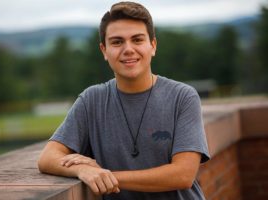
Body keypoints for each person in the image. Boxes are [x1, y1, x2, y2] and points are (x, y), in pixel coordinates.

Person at [38, 1, 210, 199]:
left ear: (152, 46)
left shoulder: (183, 97)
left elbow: (183, 175)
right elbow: (47, 157)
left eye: (137, 40)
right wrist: (82, 170)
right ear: (104, 50)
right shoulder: (91, 100)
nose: (128, 49)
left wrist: (106, 176)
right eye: (117, 42)